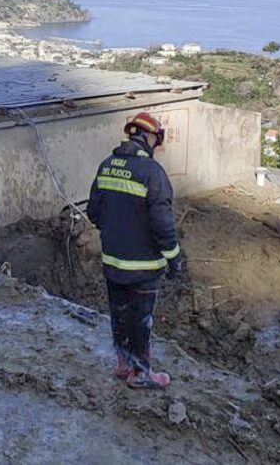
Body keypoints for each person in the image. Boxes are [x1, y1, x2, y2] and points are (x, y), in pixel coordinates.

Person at [87, 111, 187, 389]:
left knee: (119, 314)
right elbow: (162, 224)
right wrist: (175, 259)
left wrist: (117, 230)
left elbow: (93, 211)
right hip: (143, 267)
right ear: (151, 137)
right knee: (141, 320)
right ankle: (141, 374)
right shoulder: (152, 173)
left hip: (113, 262)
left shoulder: (107, 165)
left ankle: (123, 364)